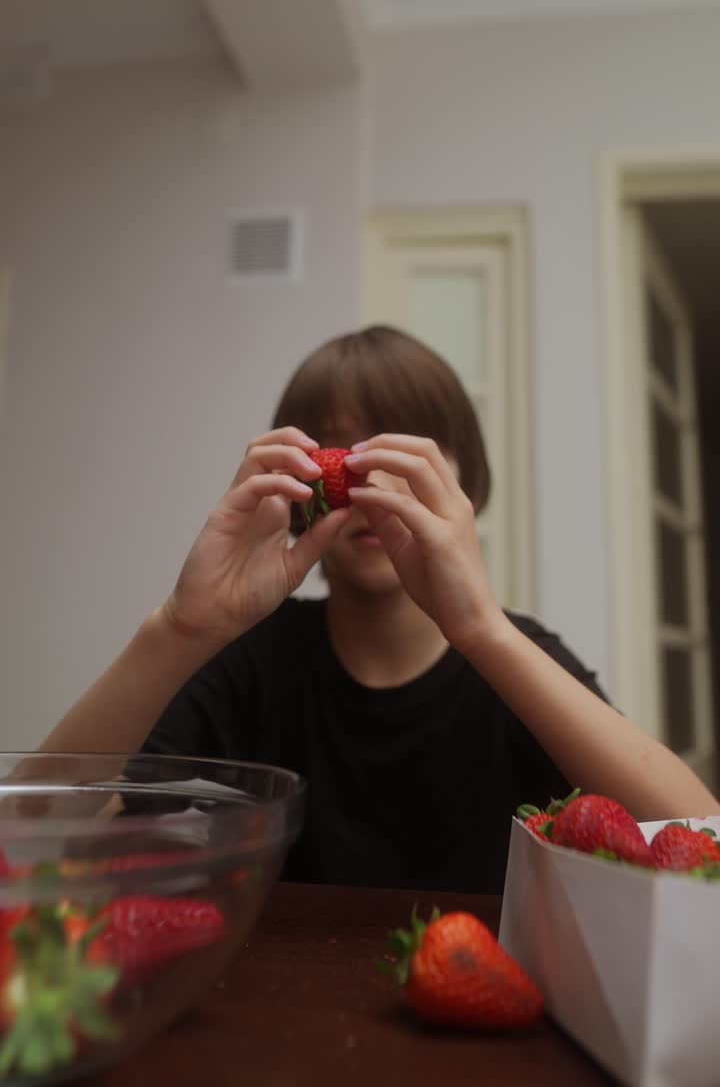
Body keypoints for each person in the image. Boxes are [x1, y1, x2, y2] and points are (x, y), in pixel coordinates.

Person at [39, 326, 718, 892]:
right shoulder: (250, 663)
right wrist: (180, 629)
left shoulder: (517, 661)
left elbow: (701, 842)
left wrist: (481, 628)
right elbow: (34, 843)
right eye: (338, 452)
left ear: (467, 487)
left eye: (402, 449)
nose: (366, 482)